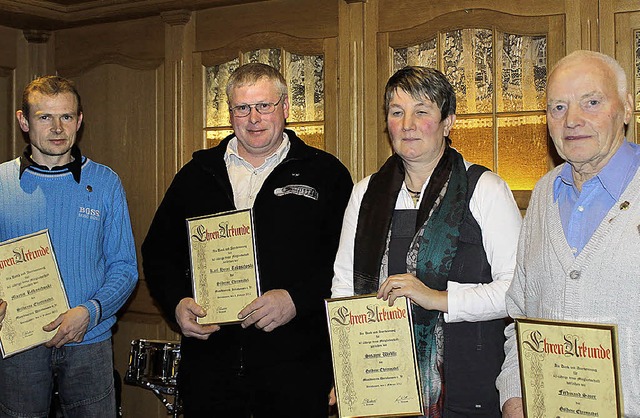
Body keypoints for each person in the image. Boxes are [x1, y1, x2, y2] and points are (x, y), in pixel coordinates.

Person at [141, 63, 353, 417]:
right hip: (212, 367)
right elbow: (159, 252)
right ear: (230, 114)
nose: (253, 118)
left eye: (264, 106)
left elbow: (347, 263)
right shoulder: (197, 175)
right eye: (242, 108)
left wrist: (296, 300)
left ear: (285, 108)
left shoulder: (326, 174)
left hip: (295, 367)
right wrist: (176, 303)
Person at [331, 66, 522, 416]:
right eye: (397, 112)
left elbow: (516, 291)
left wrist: (435, 298)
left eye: (422, 112)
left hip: (469, 378)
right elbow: (345, 288)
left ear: (448, 122)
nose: (407, 125)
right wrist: (347, 366)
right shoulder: (364, 194)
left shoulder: (486, 189)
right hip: (383, 379)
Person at [497, 50, 640, 416]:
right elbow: (520, 321)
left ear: (626, 106)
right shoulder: (543, 195)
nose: (572, 120)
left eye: (591, 102)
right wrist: (514, 397)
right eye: (558, 107)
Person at [0, 75, 138, 417]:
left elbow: (124, 267)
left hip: (88, 341)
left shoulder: (105, 182)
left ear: (79, 120)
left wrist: (89, 312)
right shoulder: (1, 183)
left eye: (66, 116)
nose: (57, 128)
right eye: (45, 117)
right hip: (18, 343)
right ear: (24, 121)